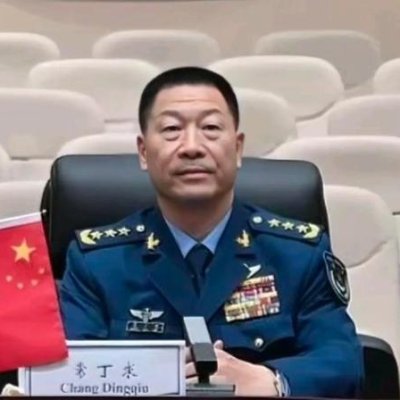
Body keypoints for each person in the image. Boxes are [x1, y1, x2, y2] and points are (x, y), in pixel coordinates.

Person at [60, 66, 364, 397]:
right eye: (172, 129)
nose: (192, 147)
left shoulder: (298, 254)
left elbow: (343, 363)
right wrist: (157, 378)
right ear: (144, 153)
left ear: (238, 148)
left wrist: (270, 381)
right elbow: (71, 374)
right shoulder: (97, 262)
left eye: (210, 128)